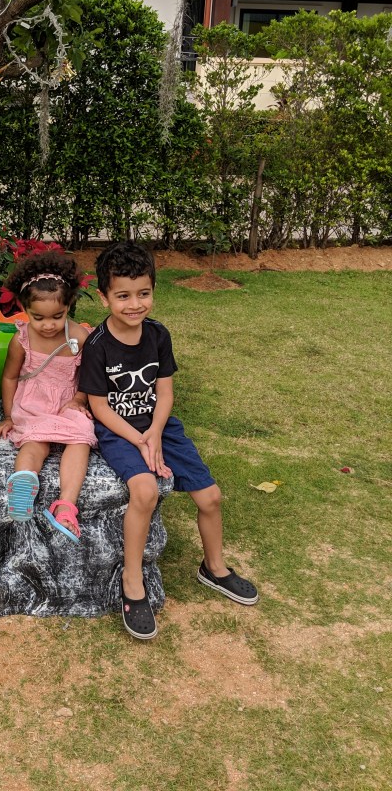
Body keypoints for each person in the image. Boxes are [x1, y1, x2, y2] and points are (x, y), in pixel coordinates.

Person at [78, 241, 258, 639]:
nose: (135, 304)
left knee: (210, 497)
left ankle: (214, 568)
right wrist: (140, 440)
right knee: (144, 492)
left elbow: (165, 391)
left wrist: (156, 433)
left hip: (160, 425)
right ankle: (132, 582)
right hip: (118, 430)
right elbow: (99, 407)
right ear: (104, 297)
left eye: (143, 293)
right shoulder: (97, 346)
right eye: (123, 296)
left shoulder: (159, 335)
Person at [0, 251, 96, 542]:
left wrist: (80, 399)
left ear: (68, 306)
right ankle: (24, 480)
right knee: (34, 442)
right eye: (38, 318)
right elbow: (10, 377)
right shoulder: (21, 339)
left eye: (57, 316)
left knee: (81, 437)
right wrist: (9, 416)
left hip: (67, 402)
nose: (48, 325)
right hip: (34, 403)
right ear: (24, 308)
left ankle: (66, 505)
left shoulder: (79, 337)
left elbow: (90, 375)